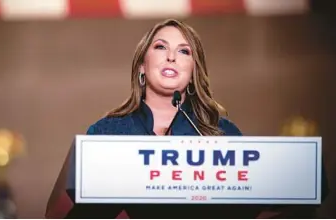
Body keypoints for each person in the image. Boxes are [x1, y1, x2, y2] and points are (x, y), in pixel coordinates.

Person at [46, 18, 329, 219]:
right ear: (142, 67)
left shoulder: (221, 134)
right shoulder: (106, 133)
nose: (171, 56)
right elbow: (58, 214)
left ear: (193, 72)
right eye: (160, 47)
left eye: (184, 51)